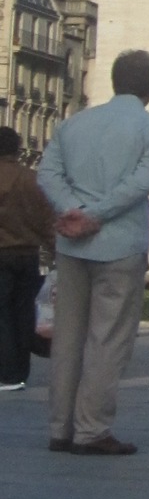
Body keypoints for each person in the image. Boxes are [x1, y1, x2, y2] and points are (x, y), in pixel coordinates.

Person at [39, 50, 149, 456]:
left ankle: (60, 427)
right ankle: (92, 429)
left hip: (71, 243)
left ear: (114, 80)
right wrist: (95, 215)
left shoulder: (73, 124)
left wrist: (72, 209)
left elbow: (48, 173)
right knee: (108, 339)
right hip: (119, 245)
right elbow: (139, 185)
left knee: (67, 338)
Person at [0, 125, 54, 392]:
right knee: (23, 314)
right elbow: (47, 221)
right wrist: (56, 252)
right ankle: (20, 372)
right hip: (29, 255)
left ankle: (7, 372)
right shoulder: (33, 180)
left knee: (2, 315)